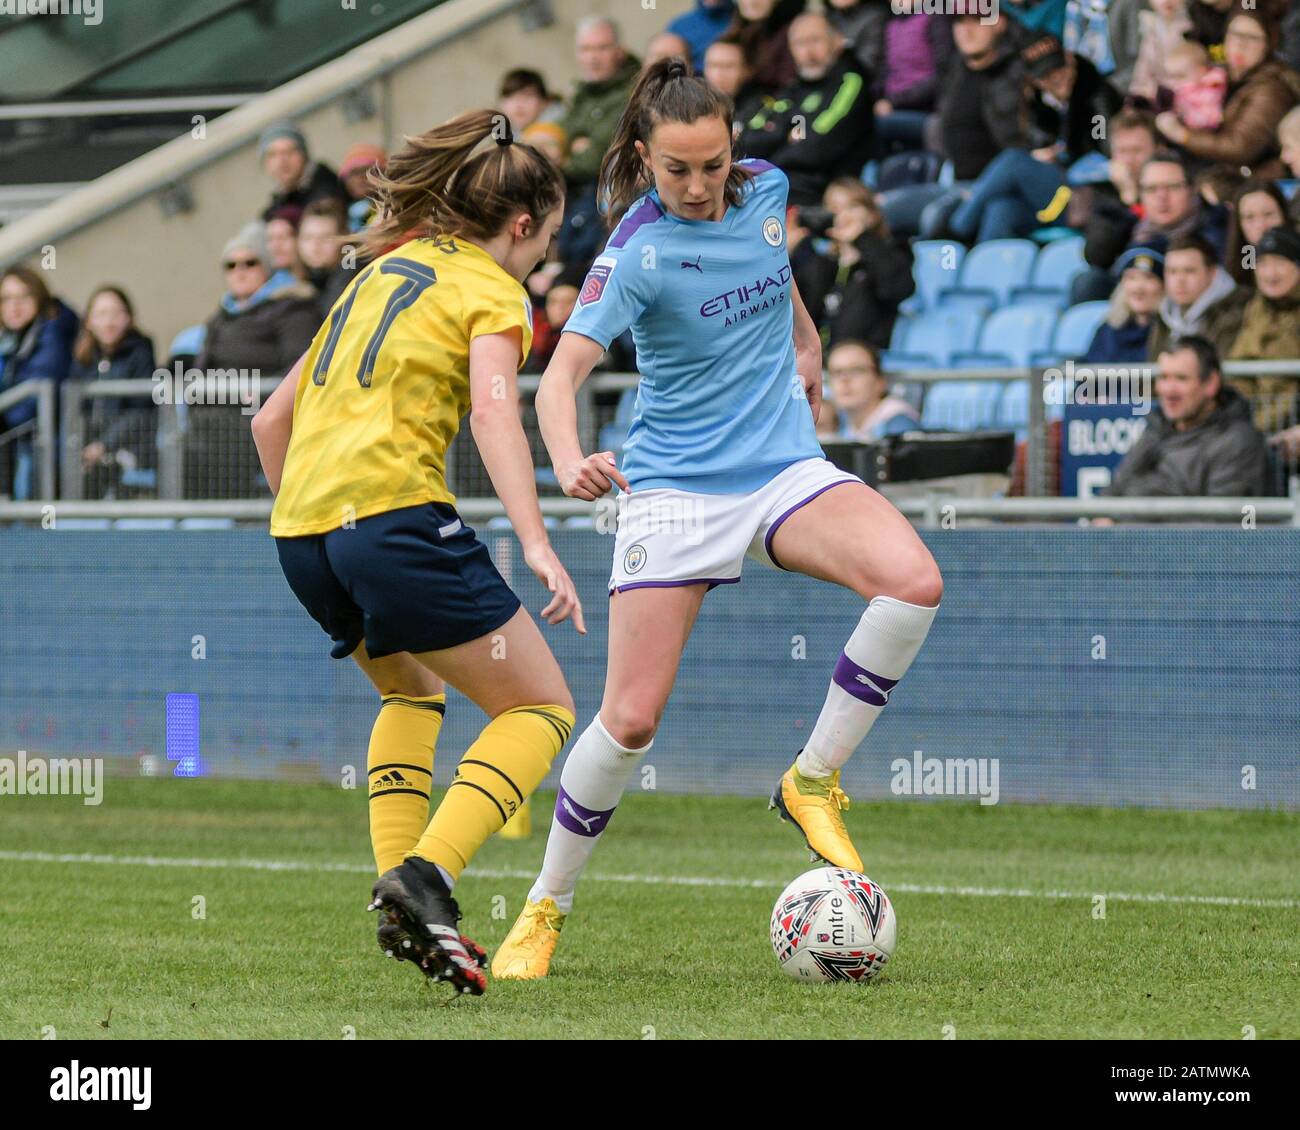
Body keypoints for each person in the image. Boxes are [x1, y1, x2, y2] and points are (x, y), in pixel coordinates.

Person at [492, 58, 942, 980]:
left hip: (780, 467)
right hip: (675, 489)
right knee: (629, 720)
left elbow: (775, 275)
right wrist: (571, 458)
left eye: (711, 165)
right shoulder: (636, 250)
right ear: (644, 158)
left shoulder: (770, 188)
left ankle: (810, 779)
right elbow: (563, 373)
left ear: (735, 150)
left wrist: (809, 345)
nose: (697, 187)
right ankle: (546, 904)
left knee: (913, 581)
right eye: (676, 171)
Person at [251, 109, 582, 996]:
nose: (541, 261)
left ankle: (408, 903)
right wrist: (541, 542)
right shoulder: (490, 287)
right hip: (395, 524)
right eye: (546, 244)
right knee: (541, 708)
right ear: (520, 226)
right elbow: (492, 413)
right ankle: (427, 877)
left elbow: (268, 419)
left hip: (302, 533)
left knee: (410, 688)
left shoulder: (379, 271)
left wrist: (313, 522)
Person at [736, 11, 874, 205]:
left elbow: (816, 147)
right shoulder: (794, 87)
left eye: (816, 40)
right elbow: (749, 139)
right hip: (778, 183)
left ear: (837, 41)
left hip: (821, 190)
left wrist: (775, 149)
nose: (808, 52)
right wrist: (784, 135)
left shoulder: (850, 81)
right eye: (800, 43)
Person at [1104, 335, 1267, 497]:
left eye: (1181, 379)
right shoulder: (1156, 428)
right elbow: (1114, 490)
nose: (1168, 390)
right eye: (1164, 378)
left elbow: (1223, 519)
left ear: (1211, 383)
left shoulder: (1237, 442)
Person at [67, 286, 156, 499]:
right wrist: (80, 447)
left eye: (116, 313)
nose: (109, 322)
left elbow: (140, 411)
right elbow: (72, 410)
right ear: (88, 321)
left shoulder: (141, 352)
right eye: (101, 314)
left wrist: (104, 445)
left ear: (129, 318)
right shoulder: (82, 358)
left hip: (131, 450)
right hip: (88, 451)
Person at [0, 265, 77, 500]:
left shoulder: (52, 334)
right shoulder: (11, 340)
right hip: (21, 444)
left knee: (32, 530)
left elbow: (28, 405)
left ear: (39, 298)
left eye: (23, 297)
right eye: (6, 299)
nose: (14, 306)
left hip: (41, 448)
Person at [1147, 233, 1248, 358]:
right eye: (1172, 271)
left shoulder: (1237, 310)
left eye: (1189, 271)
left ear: (1212, 273)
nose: (1179, 280)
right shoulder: (1163, 314)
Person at [1080, 246, 1165, 363]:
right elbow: (1087, 373)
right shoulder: (1108, 329)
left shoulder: (1171, 330)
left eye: (1148, 278)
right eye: (1131, 278)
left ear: (1163, 286)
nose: (1138, 288)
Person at [257, 122, 348, 226]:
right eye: (273, 155)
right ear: (265, 164)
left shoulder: (328, 191)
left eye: (289, 152)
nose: (282, 161)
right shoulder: (277, 205)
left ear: (304, 156)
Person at [825, 339, 918, 438]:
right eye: (837, 372)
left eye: (856, 370)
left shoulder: (900, 427)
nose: (844, 379)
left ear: (880, 381)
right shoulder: (840, 427)